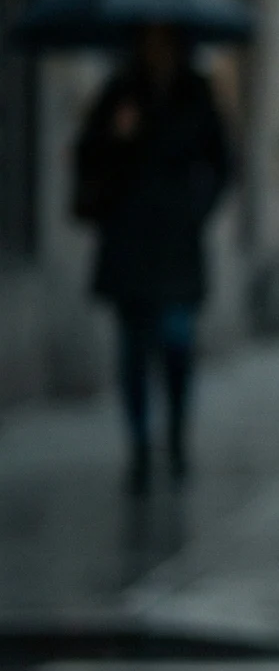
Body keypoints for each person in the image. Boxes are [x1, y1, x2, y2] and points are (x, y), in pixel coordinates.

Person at [72, 25, 232, 494]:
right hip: (129, 240)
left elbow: (222, 162)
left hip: (178, 242)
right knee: (133, 351)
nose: (158, 51)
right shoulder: (120, 91)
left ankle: (177, 435)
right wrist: (116, 136)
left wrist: (196, 208)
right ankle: (140, 443)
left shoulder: (197, 93)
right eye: (151, 42)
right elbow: (87, 158)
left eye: (167, 42)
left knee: (177, 340)